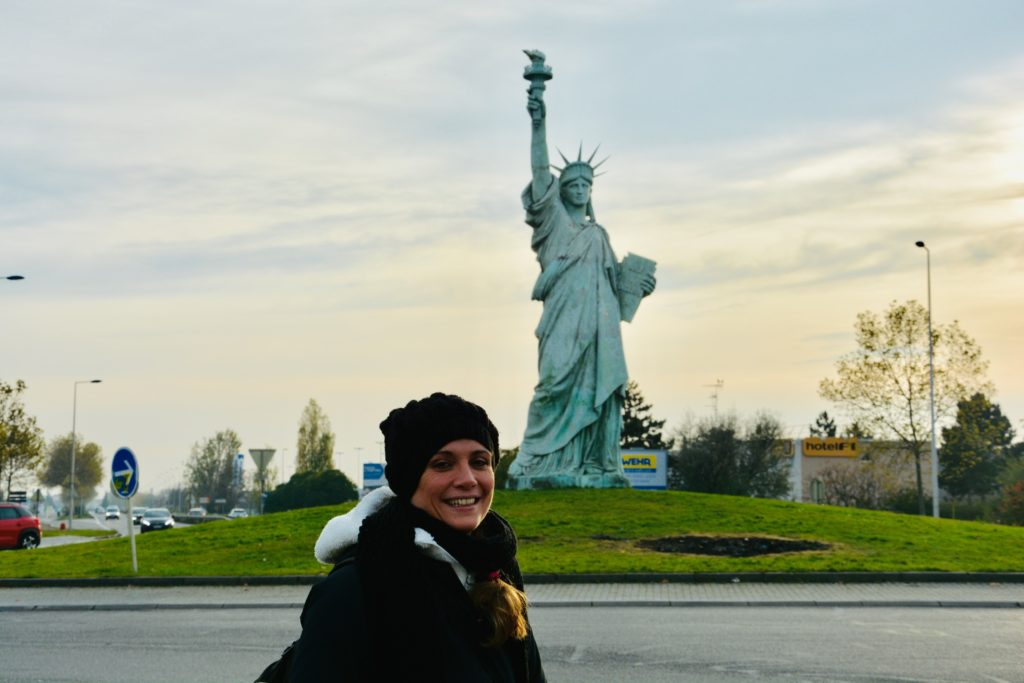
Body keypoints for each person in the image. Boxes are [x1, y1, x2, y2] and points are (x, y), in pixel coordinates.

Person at [285, 392, 546, 682]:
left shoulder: (497, 567)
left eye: (480, 461)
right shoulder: (356, 587)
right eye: (443, 464)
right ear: (409, 479)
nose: (468, 479)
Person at [507, 55, 656, 490]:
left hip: (598, 328)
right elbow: (539, 169)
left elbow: (615, 288)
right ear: (560, 190)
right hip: (561, 322)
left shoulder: (599, 235)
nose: (577, 189)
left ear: (591, 192)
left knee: (599, 391)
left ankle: (595, 464)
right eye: (570, 184)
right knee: (552, 383)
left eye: (584, 185)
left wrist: (641, 286)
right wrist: (539, 115)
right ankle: (535, 459)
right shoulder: (552, 222)